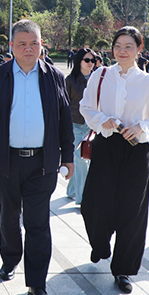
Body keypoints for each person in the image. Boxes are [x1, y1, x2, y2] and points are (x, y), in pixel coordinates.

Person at [0, 19, 74, 295]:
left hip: (42, 163)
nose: (28, 49)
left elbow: (64, 119)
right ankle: (10, 259)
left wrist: (67, 157)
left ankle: (37, 284)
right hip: (6, 161)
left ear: (42, 45)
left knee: (38, 223)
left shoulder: (54, 76)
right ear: (12, 46)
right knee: (9, 216)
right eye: (22, 44)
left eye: (34, 43)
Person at [79, 26, 149, 294]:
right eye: (118, 46)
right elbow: (86, 107)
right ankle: (100, 244)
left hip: (136, 149)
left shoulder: (147, 82)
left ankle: (123, 269)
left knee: (132, 211)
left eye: (128, 46)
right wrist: (103, 119)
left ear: (139, 49)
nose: (122, 51)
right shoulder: (101, 75)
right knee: (93, 204)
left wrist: (140, 127)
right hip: (106, 146)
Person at [65, 48, 96, 203]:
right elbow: (64, 103)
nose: (90, 63)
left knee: (86, 159)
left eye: (93, 60)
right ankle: (82, 198)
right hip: (75, 124)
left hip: (92, 125)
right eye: (87, 60)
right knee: (80, 159)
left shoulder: (98, 80)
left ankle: (72, 190)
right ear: (79, 61)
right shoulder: (70, 80)